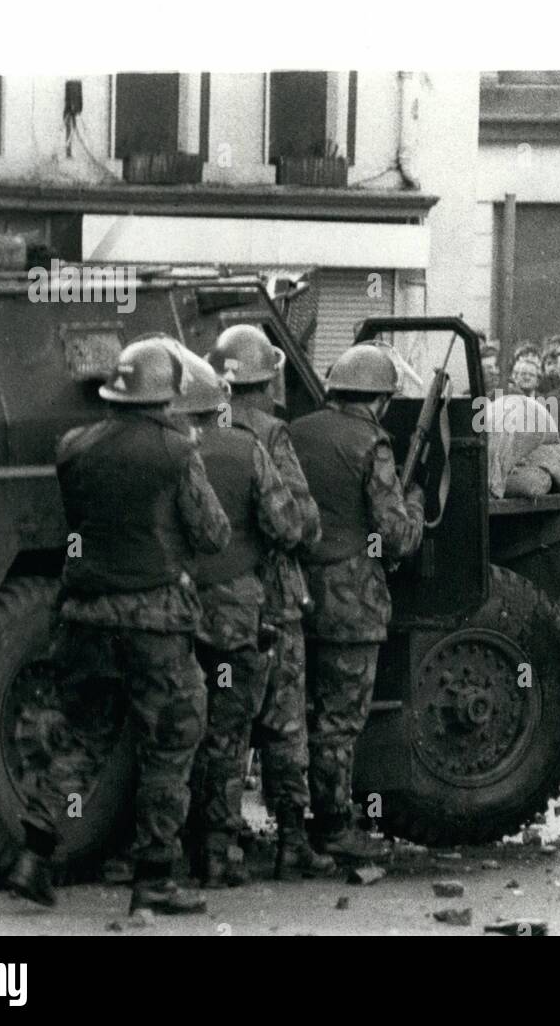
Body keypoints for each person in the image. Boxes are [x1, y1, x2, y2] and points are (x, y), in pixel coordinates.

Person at [8, 337, 231, 916]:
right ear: (168, 393)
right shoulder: (178, 452)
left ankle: (34, 856)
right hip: (154, 622)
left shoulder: (73, 448)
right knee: (172, 739)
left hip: (83, 618)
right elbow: (212, 534)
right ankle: (153, 877)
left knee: (79, 739)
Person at [168, 343, 310, 888]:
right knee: (245, 727)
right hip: (241, 610)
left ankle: (181, 846)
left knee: (187, 731)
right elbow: (289, 526)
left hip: (177, 610)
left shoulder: (167, 452)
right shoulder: (251, 446)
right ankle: (236, 848)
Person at [289, 343, 425, 861]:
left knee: (287, 720)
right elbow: (394, 537)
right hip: (350, 603)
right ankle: (333, 827)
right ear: (382, 400)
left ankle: (286, 833)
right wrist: (415, 503)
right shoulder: (374, 444)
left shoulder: (295, 432)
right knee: (338, 723)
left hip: (293, 598)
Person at [206, 324, 331, 881]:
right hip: (273, 602)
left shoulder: (199, 427)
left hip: (213, 600)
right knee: (284, 722)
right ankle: (291, 841)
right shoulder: (271, 433)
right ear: (270, 375)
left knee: (222, 725)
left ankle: (215, 843)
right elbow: (301, 525)